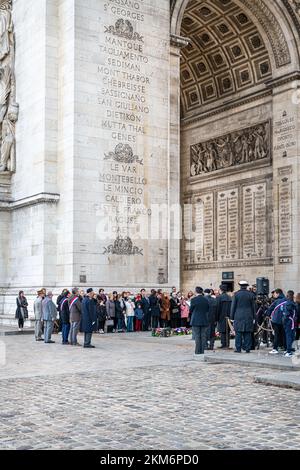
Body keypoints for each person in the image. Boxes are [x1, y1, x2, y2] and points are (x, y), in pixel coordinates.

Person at [230, 281, 256, 353]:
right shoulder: (251, 294)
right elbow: (253, 307)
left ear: (240, 286)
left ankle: (238, 349)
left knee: (238, 333)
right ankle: (247, 348)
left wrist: (231, 317)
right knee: (247, 333)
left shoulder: (236, 294)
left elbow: (233, 307)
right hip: (249, 315)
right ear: (246, 286)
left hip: (238, 315)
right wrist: (254, 317)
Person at [190, 287, 210, 357]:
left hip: (196, 319)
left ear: (196, 292)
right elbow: (208, 309)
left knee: (197, 336)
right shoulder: (206, 299)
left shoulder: (194, 299)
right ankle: (202, 350)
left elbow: (191, 310)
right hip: (204, 319)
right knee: (203, 335)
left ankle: (197, 351)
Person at [267, 288, 287, 354]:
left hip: (276, 320)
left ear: (278, 293)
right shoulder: (286, 300)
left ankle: (275, 348)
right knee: (284, 334)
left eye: (275, 293)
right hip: (285, 320)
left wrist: (267, 315)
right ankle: (285, 348)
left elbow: (270, 309)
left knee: (276, 335)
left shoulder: (276, 301)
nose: (274, 295)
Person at [283, 290, 297, 357]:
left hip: (289, 322)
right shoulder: (292, 303)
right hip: (291, 322)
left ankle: (289, 350)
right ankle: (289, 350)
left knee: (289, 336)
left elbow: (286, 314)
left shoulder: (288, 303)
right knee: (291, 336)